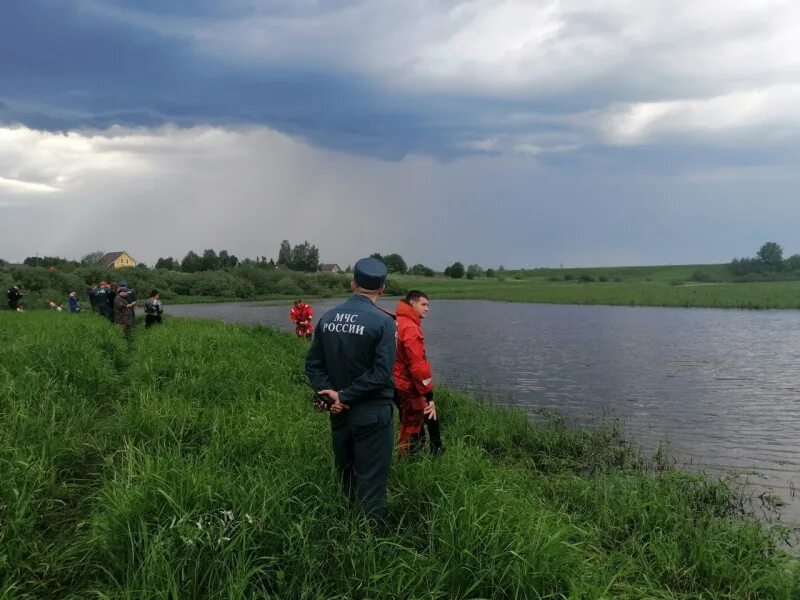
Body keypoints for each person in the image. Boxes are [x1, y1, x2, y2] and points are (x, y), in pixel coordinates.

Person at [305, 257, 396, 528]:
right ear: (382, 288)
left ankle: (345, 529)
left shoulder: (328, 317)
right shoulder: (384, 323)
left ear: (352, 284)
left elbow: (313, 364)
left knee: (346, 476)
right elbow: (381, 375)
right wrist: (344, 396)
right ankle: (369, 545)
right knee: (371, 482)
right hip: (372, 415)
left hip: (338, 414)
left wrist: (331, 394)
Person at [394, 290, 443, 456]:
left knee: (412, 420)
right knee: (413, 425)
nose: (427, 308)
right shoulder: (410, 328)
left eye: (428, 305)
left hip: (394, 381)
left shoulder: (396, 321)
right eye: (423, 304)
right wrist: (429, 395)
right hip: (408, 385)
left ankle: (433, 448)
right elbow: (418, 367)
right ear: (412, 303)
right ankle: (411, 463)